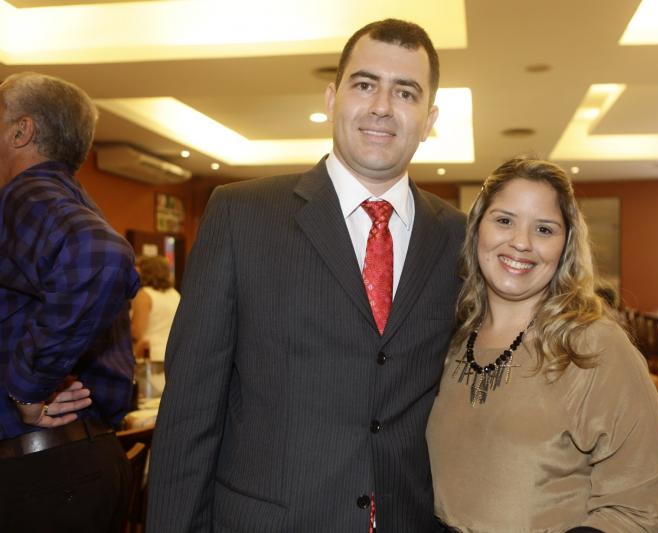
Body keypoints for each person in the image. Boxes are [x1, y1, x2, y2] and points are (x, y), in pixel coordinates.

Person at [147, 19, 466, 532]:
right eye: (365, 85)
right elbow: (190, 411)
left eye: (405, 92)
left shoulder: (459, 238)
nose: (382, 106)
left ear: (429, 119)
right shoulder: (242, 216)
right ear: (332, 98)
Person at [426, 157, 658, 532]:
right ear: (476, 230)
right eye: (504, 220)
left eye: (544, 229)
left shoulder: (594, 347)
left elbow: (639, 509)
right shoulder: (452, 337)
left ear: (566, 245)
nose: (521, 243)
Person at [0, 72, 139, 532]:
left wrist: (28, 387)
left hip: (40, 473)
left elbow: (98, 255)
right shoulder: (69, 196)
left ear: (21, 131)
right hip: (76, 463)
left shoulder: (28, 192)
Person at [131, 255, 181, 398]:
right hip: (173, 355)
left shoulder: (144, 295)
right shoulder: (175, 294)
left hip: (150, 359)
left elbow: (137, 332)